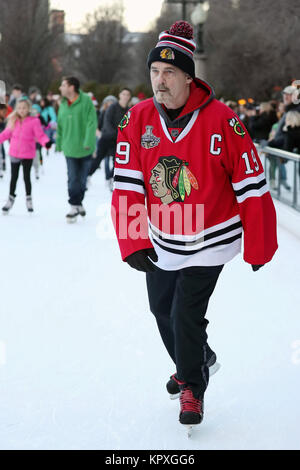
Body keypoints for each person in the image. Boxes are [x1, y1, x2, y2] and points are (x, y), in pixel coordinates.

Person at [111, 21, 278, 433]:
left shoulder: (224, 121)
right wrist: (132, 239)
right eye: (154, 72)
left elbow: (252, 186)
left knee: (186, 314)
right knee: (160, 310)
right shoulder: (137, 119)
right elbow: (127, 185)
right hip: (165, 238)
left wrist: (259, 244)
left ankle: (192, 385)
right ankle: (196, 358)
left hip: (210, 240)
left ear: (189, 76)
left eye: (169, 73)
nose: (159, 81)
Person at [56, 76, 97, 222]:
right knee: (73, 178)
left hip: (85, 148)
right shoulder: (62, 103)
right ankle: (74, 206)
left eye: (63, 85)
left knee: (82, 179)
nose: (60, 88)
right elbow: (60, 125)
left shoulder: (86, 101)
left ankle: (78, 203)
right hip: (70, 148)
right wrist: (59, 143)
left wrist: (88, 141)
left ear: (71, 87)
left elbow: (92, 121)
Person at [0, 97, 51, 213]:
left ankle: (29, 198)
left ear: (28, 108)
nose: (21, 110)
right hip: (14, 153)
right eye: (19, 108)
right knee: (13, 178)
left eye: (24, 108)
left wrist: (46, 142)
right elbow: (5, 134)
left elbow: (40, 135)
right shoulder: (13, 120)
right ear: (16, 109)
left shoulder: (34, 121)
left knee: (26, 177)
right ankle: (10, 199)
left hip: (27, 153)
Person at [100, 88, 132, 190]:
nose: (125, 96)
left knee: (117, 161)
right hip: (109, 137)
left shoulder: (129, 109)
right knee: (104, 159)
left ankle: (110, 177)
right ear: (119, 95)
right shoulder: (112, 107)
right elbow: (107, 121)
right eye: (124, 94)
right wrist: (113, 134)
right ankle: (105, 177)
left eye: (127, 94)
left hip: (122, 140)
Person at [87, 95, 117, 184]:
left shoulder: (116, 112)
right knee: (99, 159)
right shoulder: (102, 112)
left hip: (115, 139)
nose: (110, 104)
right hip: (104, 138)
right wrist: (99, 134)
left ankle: (110, 177)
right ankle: (88, 175)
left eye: (112, 102)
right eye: (108, 102)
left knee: (115, 160)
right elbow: (98, 125)